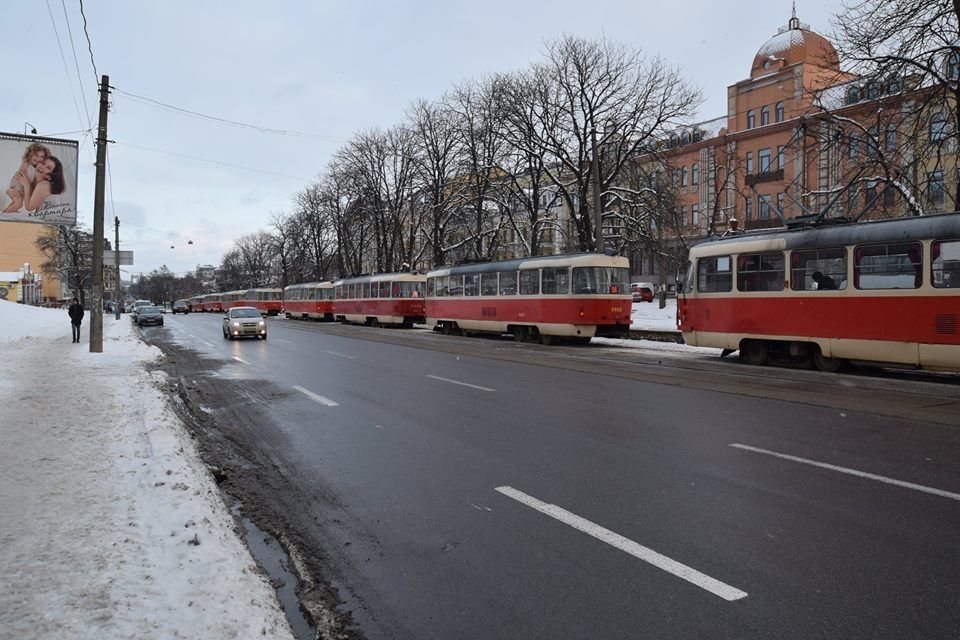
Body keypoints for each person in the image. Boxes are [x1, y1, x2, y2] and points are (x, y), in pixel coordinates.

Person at [4, 143, 49, 213]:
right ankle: (6, 215)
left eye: (42, 156)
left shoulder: (38, 168)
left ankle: (4, 213)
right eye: (36, 155)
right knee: (19, 204)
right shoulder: (27, 162)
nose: (38, 159)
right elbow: (20, 173)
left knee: (15, 203)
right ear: (31, 154)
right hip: (17, 185)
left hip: (22, 187)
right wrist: (15, 188)